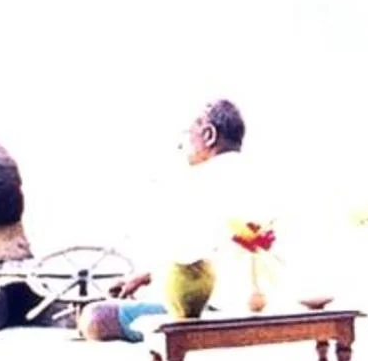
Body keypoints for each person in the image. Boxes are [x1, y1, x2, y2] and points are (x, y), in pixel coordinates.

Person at [89, 98, 276, 340]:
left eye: (186, 135)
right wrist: (143, 277)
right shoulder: (261, 175)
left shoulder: (199, 181)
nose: (181, 144)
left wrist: (145, 278)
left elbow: (184, 257)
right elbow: (211, 246)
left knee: (96, 316)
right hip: (266, 305)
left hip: (217, 311)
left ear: (208, 135)